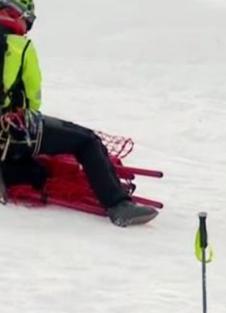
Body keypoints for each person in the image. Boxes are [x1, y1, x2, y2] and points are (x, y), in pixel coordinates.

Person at [0, 0, 158, 226]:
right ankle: (118, 205)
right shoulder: (21, 47)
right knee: (86, 141)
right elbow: (33, 99)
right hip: (10, 133)